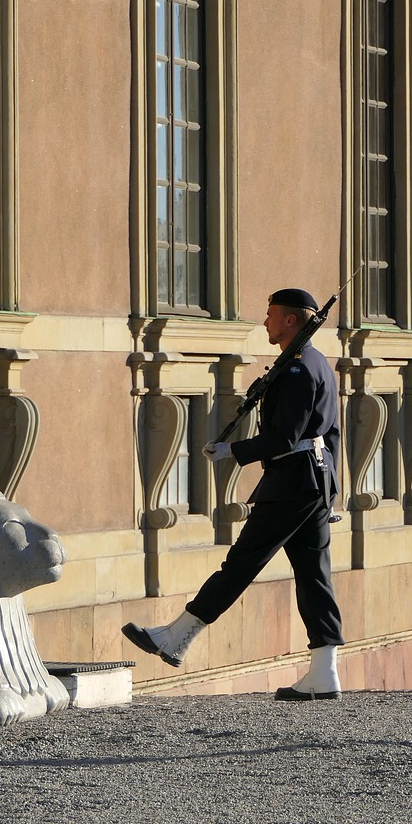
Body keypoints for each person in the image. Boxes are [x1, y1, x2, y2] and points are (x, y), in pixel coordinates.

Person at [122, 288, 345, 700]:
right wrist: (330, 490)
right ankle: (324, 671)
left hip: (292, 485)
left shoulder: (298, 369)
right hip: (311, 483)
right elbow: (329, 436)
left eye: (271, 314)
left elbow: (286, 436)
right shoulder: (314, 363)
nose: (265, 322)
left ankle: (178, 637)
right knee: (314, 576)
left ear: (291, 320)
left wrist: (234, 451)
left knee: (240, 564)